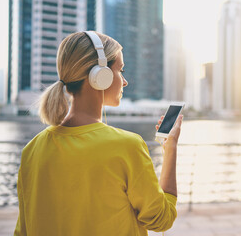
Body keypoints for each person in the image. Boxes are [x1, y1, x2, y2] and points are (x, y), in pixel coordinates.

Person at [14, 31, 183, 236]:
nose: (125, 81)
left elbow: (23, 230)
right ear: (100, 76)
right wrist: (171, 149)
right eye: (120, 70)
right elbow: (161, 219)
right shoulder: (127, 146)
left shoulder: (32, 149)